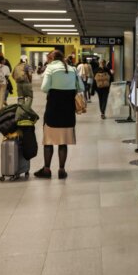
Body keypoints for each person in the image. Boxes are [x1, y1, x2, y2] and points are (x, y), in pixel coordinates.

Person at [36, 50, 83, 179]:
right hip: (68, 110)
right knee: (63, 142)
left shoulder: (50, 68)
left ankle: (47, 170)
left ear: (51, 58)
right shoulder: (72, 69)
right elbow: (81, 87)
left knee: (48, 141)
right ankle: (62, 170)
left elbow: (44, 88)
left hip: (53, 108)